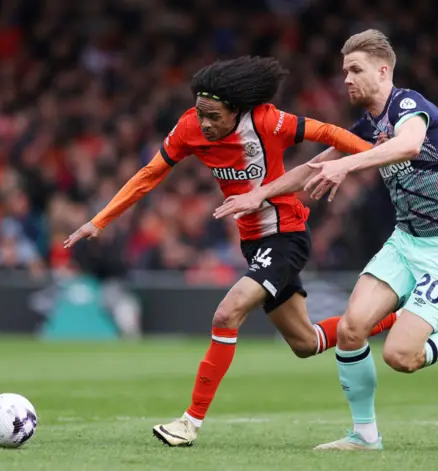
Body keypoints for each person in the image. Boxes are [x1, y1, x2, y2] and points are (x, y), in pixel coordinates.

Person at [64, 56, 398, 447]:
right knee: (306, 343)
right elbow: (148, 174)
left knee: (227, 312)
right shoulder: (190, 127)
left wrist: (374, 156)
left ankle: (189, 423)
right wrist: (99, 220)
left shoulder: (267, 121)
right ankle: (405, 317)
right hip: (253, 242)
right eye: (201, 114)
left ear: (236, 110)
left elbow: (326, 132)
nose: (205, 123)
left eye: (214, 116)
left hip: (286, 235)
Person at [214, 30, 438, 451]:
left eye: (355, 70)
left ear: (383, 70)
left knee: (401, 357)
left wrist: (348, 166)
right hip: (405, 241)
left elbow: (409, 146)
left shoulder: (409, 106)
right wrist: (259, 194)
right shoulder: (368, 126)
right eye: (344, 72)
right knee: (352, 330)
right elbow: (315, 167)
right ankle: (365, 436)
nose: (347, 79)